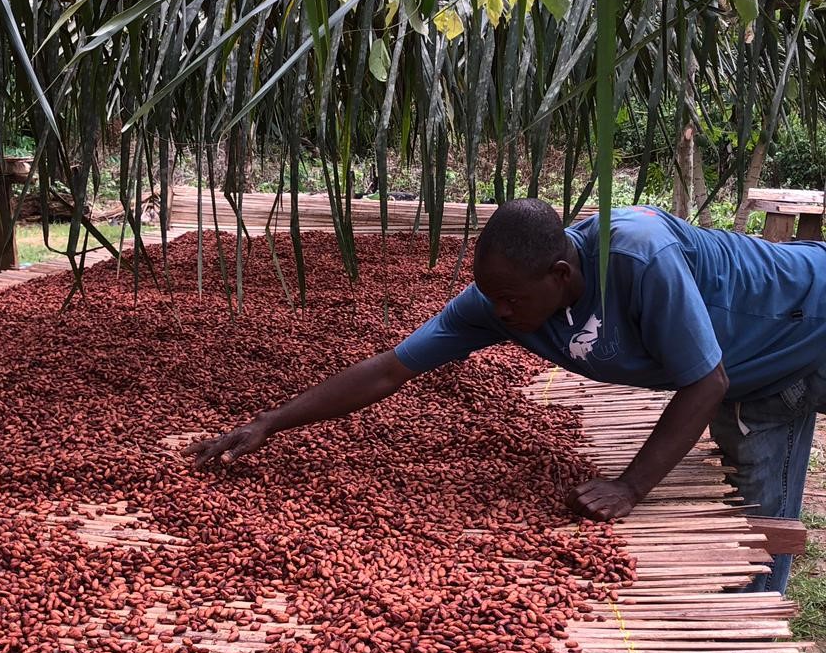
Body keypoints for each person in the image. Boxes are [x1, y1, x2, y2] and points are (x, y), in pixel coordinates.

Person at [188, 199, 826, 592]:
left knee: (756, 513)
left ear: (561, 275)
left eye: (511, 298)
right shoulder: (500, 305)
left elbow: (704, 381)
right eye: (492, 297)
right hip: (754, 371)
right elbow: (390, 370)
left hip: (809, 312)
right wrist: (270, 422)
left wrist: (630, 487)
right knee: (748, 463)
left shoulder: (637, 255)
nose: (499, 312)